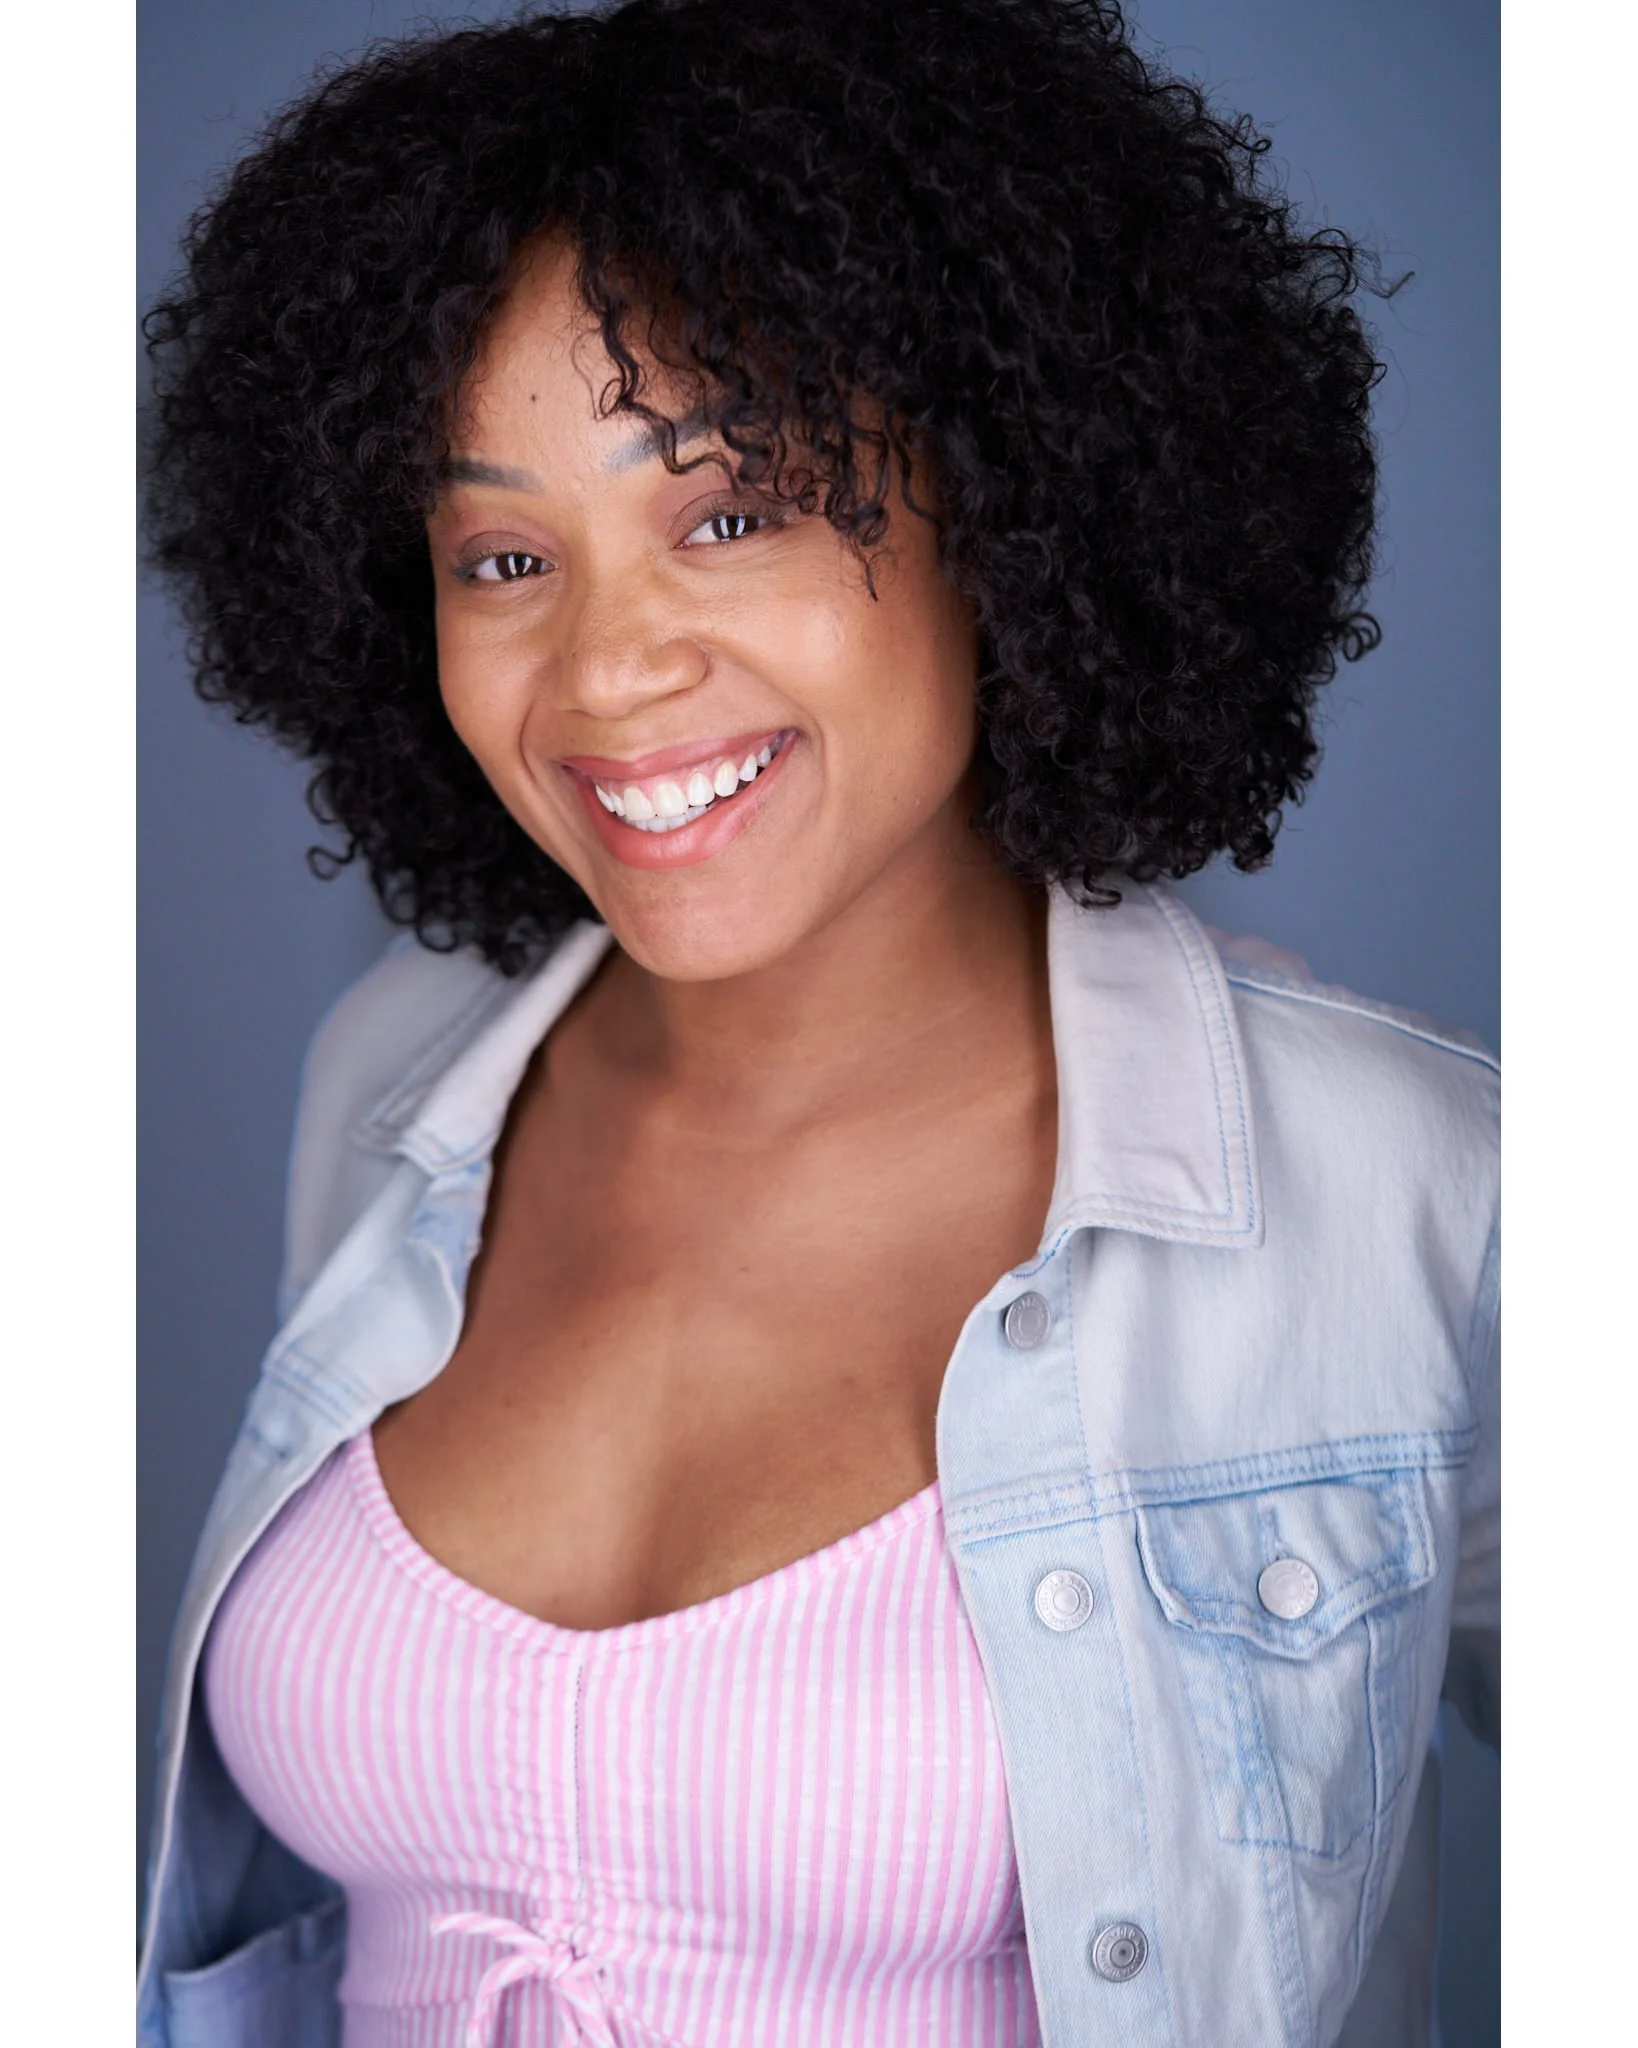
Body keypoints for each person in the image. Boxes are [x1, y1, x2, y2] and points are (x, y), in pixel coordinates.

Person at [136, 2, 1499, 2043]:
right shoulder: (396, 1088)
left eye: (731, 508)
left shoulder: (1421, 1199)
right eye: (505, 552)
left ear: (1011, 502)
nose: (602, 669)